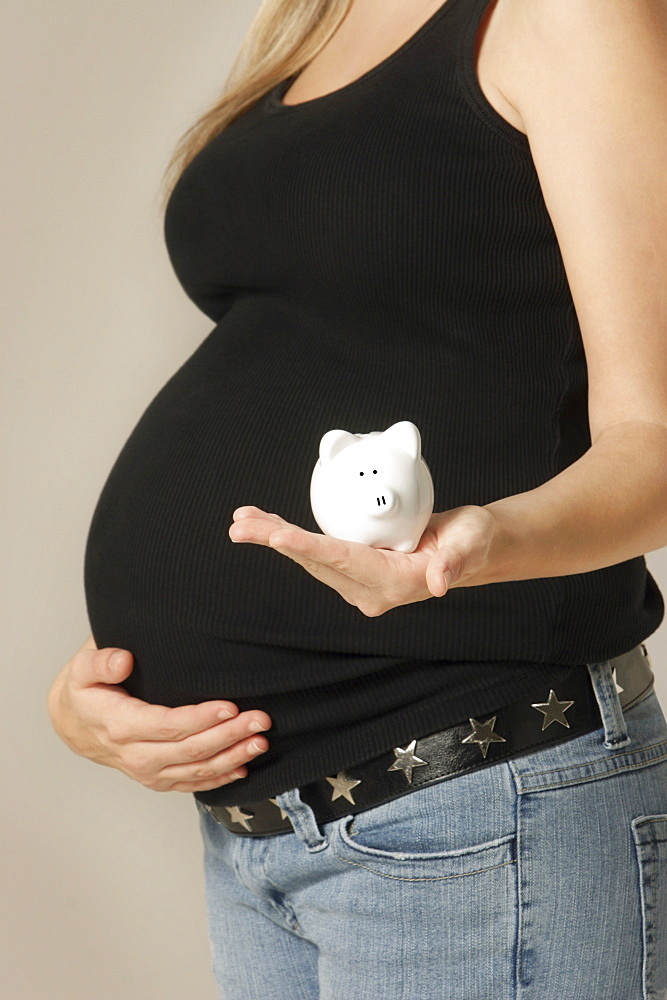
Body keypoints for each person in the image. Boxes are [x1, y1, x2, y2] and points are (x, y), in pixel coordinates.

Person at [48, 0, 667, 996]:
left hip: (469, 803)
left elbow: (657, 442)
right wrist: (111, 691)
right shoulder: (309, 19)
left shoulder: (565, 15)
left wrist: (475, 543)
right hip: (259, 838)